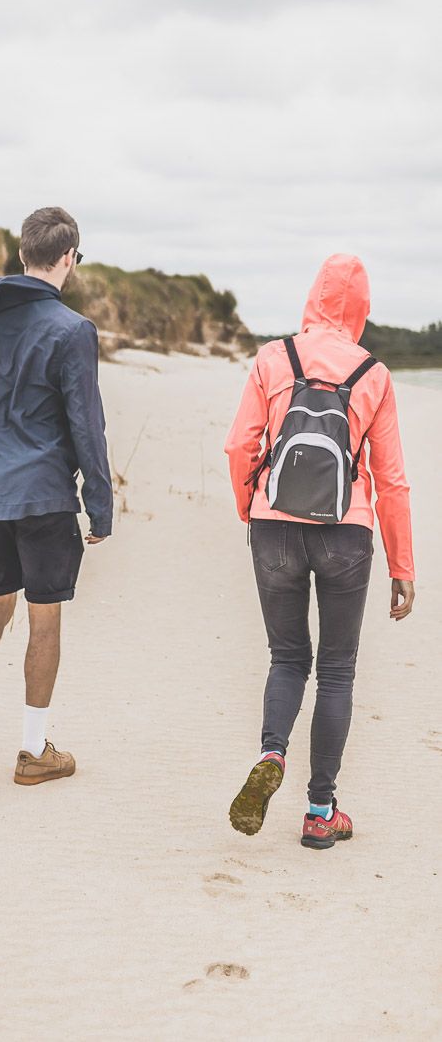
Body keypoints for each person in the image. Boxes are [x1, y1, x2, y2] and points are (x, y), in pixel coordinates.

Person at [225, 253, 415, 849]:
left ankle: (272, 756)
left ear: (312, 297)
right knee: (336, 669)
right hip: (346, 532)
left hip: (273, 528)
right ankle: (318, 811)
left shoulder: (273, 358)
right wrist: (402, 567)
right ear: (361, 309)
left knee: (287, 659)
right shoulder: (374, 374)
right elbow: (392, 480)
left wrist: (251, 509)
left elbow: (239, 447)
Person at [0, 206, 113, 785]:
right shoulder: (72, 330)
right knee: (44, 622)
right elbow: (87, 425)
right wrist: (101, 505)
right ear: (68, 259)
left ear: (21, 255)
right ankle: (34, 753)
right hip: (42, 497)